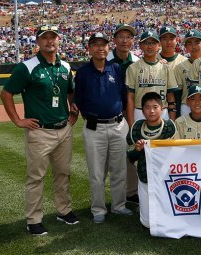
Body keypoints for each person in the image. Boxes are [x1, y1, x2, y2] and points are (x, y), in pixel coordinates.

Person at [0, 25, 79, 235]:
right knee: (36, 177)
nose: (49, 41)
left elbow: (70, 91)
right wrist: (18, 120)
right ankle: (33, 219)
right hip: (39, 131)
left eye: (53, 37)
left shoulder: (64, 66)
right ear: (38, 42)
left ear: (59, 40)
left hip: (64, 129)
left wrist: (73, 109)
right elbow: (6, 94)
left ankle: (64, 211)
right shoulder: (27, 67)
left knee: (63, 173)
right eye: (45, 38)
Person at [73, 32, 132, 224]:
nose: (100, 48)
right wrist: (90, 118)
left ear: (109, 47)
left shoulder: (115, 68)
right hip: (94, 127)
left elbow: (123, 97)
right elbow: (79, 100)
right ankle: (98, 209)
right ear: (89, 48)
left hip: (117, 125)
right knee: (97, 173)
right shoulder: (82, 72)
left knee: (119, 170)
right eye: (95, 44)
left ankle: (119, 205)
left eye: (103, 44)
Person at [127, 92, 179, 228]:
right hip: (145, 177)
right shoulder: (137, 128)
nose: (151, 111)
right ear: (142, 110)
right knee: (148, 223)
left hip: (167, 179)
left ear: (162, 109)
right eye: (147, 107)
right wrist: (137, 150)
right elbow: (130, 158)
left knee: (169, 217)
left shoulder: (170, 127)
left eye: (155, 107)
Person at [107, 24, 140, 205]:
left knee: (132, 152)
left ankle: (131, 192)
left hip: (132, 112)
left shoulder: (136, 61)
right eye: (121, 36)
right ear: (114, 39)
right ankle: (118, 198)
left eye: (129, 37)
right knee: (113, 159)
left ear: (133, 40)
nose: (125, 40)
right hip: (111, 114)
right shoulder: (105, 60)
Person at [125, 30, 178, 123]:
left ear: (159, 45)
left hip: (162, 111)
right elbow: (130, 98)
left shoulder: (166, 68)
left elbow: (171, 97)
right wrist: (131, 124)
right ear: (140, 45)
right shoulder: (133, 68)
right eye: (146, 43)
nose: (150, 46)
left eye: (153, 43)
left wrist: (172, 121)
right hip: (140, 111)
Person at [158, 26, 188, 117]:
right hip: (159, 105)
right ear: (159, 41)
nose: (168, 42)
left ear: (177, 40)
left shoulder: (184, 61)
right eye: (165, 39)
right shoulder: (154, 60)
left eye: (171, 38)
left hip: (181, 103)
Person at [174, 29, 201, 116]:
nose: (193, 46)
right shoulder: (180, 67)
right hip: (186, 105)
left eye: (197, 42)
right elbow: (178, 93)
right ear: (186, 47)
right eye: (190, 44)